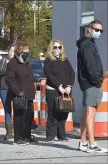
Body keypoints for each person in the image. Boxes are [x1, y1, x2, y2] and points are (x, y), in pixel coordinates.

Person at [76, 20, 107, 153]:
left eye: (101, 31)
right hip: (91, 83)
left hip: (89, 83)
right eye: (96, 29)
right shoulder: (87, 45)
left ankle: (83, 142)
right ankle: (92, 143)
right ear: (89, 29)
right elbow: (90, 66)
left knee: (86, 113)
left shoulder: (88, 43)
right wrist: (97, 80)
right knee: (91, 113)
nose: (99, 32)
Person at [5, 43, 37, 145]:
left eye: (28, 51)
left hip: (29, 94)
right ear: (20, 52)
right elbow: (9, 79)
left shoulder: (26, 63)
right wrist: (18, 91)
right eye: (26, 51)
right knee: (20, 117)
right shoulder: (12, 63)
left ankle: (27, 136)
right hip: (19, 94)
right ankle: (19, 138)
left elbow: (30, 77)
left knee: (29, 116)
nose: (28, 53)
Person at [43, 40, 75, 142]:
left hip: (66, 90)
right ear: (51, 49)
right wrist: (59, 86)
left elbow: (72, 73)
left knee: (64, 112)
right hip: (53, 89)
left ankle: (61, 135)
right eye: (55, 47)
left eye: (59, 47)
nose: (57, 49)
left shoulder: (65, 59)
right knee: (53, 113)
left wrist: (69, 86)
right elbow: (49, 75)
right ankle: (50, 135)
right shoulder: (48, 60)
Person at [0, 44, 15, 141]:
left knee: (18, 109)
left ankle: (18, 131)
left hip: (15, 88)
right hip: (4, 88)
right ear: (8, 51)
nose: (12, 53)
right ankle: (9, 132)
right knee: (8, 109)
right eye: (11, 51)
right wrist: (7, 72)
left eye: (14, 51)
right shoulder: (3, 61)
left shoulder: (18, 61)